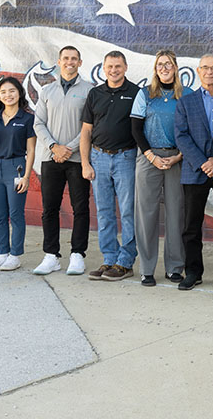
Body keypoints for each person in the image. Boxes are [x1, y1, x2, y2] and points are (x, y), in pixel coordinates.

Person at [32, 45, 94, 277]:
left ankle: (77, 254)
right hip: (51, 158)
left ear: (80, 62)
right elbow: (38, 123)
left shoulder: (89, 90)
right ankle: (51, 256)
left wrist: (70, 148)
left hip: (78, 159)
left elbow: (91, 125)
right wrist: (54, 147)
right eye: (66, 58)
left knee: (80, 208)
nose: (70, 62)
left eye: (74, 59)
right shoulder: (47, 90)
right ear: (59, 62)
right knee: (50, 208)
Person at [80, 50, 142, 281]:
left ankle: (125, 262)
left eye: (118, 66)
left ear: (125, 67)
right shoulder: (95, 94)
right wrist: (85, 163)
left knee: (127, 212)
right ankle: (109, 259)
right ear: (103, 69)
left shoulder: (136, 93)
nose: (114, 70)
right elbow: (86, 131)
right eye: (110, 67)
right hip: (99, 158)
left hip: (126, 158)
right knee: (104, 213)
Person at [173, 54, 213, 291]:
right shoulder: (186, 102)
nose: (209, 72)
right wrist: (203, 162)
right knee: (191, 225)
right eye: (205, 68)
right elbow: (181, 136)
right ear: (198, 71)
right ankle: (193, 271)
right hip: (195, 170)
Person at [130, 50, 186, 287]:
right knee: (146, 214)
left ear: (175, 68)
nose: (164, 68)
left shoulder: (185, 95)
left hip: (177, 159)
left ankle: (174, 267)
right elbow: (135, 129)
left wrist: (179, 156)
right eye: (160, 65)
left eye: (169, 64)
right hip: (148, 157)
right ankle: (146, 268)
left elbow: (190, 131)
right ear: (155, 69)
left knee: (176, 213)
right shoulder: (145, 94)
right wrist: (151, 156)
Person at [0, 76, 36, 271]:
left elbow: (31, 150)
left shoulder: (27, 118)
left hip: (16, 167)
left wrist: (27, 176)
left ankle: (15, 255)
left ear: (19, 93)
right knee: (0, 215)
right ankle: (2, 253)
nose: (8, 95)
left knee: (16, 213)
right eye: (3, 92)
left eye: (12, 91)